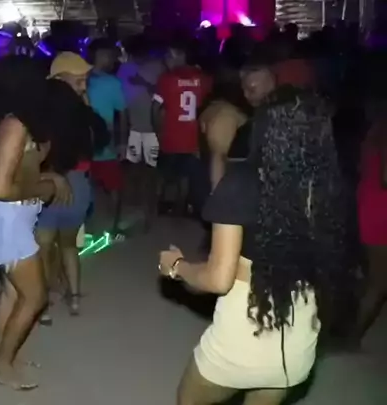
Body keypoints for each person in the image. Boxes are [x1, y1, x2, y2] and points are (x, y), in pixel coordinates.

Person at [158, 70, 360, 405]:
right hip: (298, 344)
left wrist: (177, 266)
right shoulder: (331, 190)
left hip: (243, 336)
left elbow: (218, 278)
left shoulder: (241, 183)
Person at [0, 55, 72, 390]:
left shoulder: (9, 120)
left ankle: (6, 358)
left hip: (9, 219)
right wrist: (43, 187)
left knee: (13, 294)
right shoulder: (15, 125)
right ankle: (2, 366)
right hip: (7, 222)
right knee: (35, 297)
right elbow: (1, 189)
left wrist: (35, 175)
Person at [34, 75, 110, 323]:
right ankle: (75, 298)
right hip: (79, 185)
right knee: (69, 246)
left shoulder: (42, 122)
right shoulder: (82, 119)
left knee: (44, 248)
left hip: (48, 185)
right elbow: (102, 137)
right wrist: (85, 104)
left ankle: (45, 306)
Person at [152, 41, 212, 217]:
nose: (166, 60)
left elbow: (156, 108)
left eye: (169, 55)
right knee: (185, 177)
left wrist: (158, 131)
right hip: (193, 138)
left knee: (163, 174)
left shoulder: (166, 79)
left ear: (181, 55)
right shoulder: (205, 79)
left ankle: (159, 207)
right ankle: (181, 208)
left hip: (170, 136)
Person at [117, 37, 165, 229]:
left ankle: (148, 204)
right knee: (136, 168)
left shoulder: (156, 68)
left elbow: (164, 93)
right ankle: (139, 202)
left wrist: (143, 83)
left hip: (150, 129)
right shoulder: (126, 69)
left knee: (148, 169)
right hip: (137, 128)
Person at [351, 98, 387, 346]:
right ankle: (352, 337)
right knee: (378, 283)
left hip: (368, 204)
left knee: (371, 277)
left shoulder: (375, 131)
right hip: (381, 212)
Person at [85, 39, 128, 237]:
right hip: (105, 142)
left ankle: (86, 227)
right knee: (113, 186)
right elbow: (123, 114)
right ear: (100, 56)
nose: (113, 60)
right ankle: (114, 227)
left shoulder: (82, 78)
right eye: (110, 55)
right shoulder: (112, 82)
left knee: (88, 184)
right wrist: (122, 142)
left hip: (85, 141)